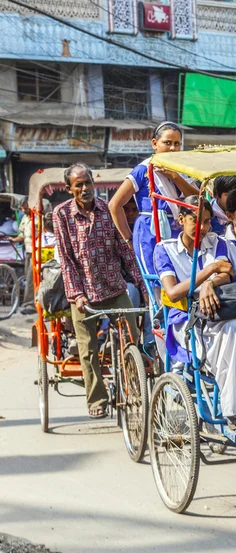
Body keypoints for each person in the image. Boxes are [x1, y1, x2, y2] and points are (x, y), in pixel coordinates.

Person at [154, 196, 236, 426]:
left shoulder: (216, 241)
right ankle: (233, 410)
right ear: (181, 219)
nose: (203, 228)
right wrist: (209, 272)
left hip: (218, 310)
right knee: (233, 328)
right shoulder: (164, 250)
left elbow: (226, 273)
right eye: (196, 221)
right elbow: (174, 291)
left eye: (207, 222)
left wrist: (209, 283)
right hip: (187, 320)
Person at [53, 164, 145, 419]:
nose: (84, 189)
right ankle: (97, 399)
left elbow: (125, 251)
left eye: (87, 183)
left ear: (94, 182)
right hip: (83, 295)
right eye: (78, 185)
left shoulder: (108, 209)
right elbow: (67, 260)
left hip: (114, 287)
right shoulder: (61, 215)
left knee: (131, 339)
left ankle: (135, 388)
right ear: (69, 188)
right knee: (88, 349)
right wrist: (78, 294)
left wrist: (140, 283)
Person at [109, 121, 199, 276]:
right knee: (157, 280)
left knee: (181, 278)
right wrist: (128, 239)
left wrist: (175, 177)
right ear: (154, 144)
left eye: (177, 144)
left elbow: (198, 199)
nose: (173, 148)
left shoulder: (182, 171)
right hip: (149, 232)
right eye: (167, 143)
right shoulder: (143, 170)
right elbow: (114, 205)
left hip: (179, 229)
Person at [10, 197, 36, 314]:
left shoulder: (37, 218)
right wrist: (14, 239)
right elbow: (22, 234)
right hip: (28, 251)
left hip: (37, 252)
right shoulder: (25, 218)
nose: (24, 210)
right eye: (22, 209)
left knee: (32, 278)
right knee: (28, 278)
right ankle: (31, 303)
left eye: (26, 208)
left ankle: (30, 304)